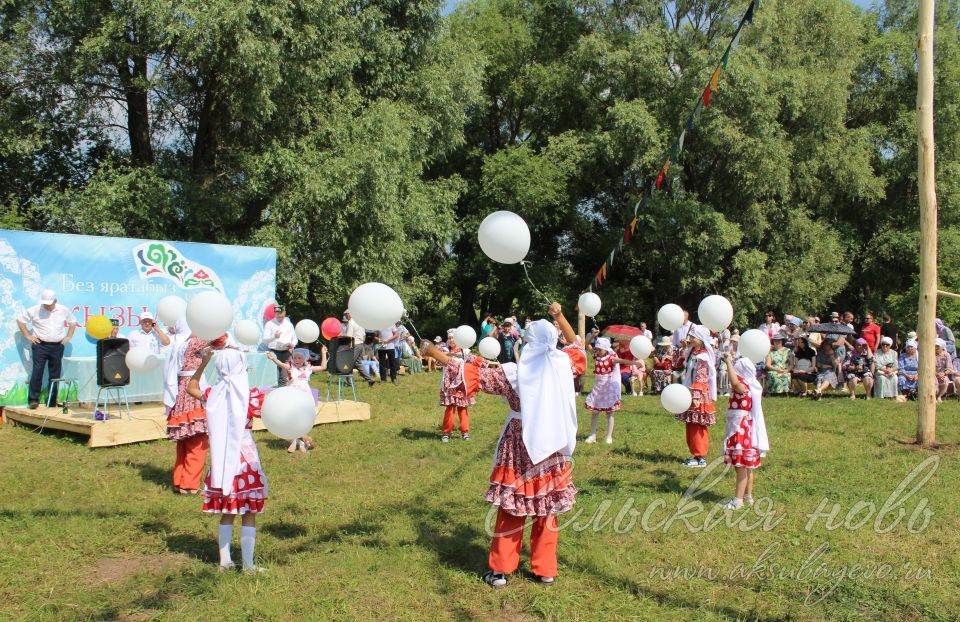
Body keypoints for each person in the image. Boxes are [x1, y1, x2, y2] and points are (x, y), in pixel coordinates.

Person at [421, 301, 585, 588]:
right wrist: (559, 315)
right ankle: (545, 569)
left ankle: (500, 571)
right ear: (552, 341)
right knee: (546, 508)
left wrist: (432, 352)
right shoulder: (565, 366)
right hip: (553, 440)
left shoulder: (512, 374)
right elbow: (576, 345)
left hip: (519, 443)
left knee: (512, 508)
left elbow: (468, 372)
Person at [187, 344, 267, 574]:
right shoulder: (251, 397)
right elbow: (272, 406)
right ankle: (249, 565)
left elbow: (192, 387)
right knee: (249, 512)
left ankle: (225, 562)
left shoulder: (213, 393)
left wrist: (204, 362)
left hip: (222, 461)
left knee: (228, 511)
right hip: (245, 461)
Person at [162, 319, 209, 495]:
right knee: (197, 441)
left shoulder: (178, 344)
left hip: (181, 391)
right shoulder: (195, 342)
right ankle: (189, 484)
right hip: (193, 389)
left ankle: (179, 481)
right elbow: (218, 339)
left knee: (183, 441)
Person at [720, 353, 769, 510]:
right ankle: (748, 496)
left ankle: (738, 500)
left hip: (740, 428)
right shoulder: (750, 386)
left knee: (740, 466)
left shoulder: (743, 386)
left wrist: (728, 362)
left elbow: (734, 382)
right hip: (743, 427)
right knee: (748, 467)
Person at [16, 289, 78, 409]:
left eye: (50, 303)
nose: (47, 305)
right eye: (45, 303)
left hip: (57, 346)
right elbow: (20, 320)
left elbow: (72, 322)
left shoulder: (63, 309)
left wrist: (69, 336)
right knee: (37, 372)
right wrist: (28, 336)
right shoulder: (35, 310)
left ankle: (51, 401)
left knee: (55, 374)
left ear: (55, 301)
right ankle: (33, 400)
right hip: (40, 345)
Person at [677, 325, 717, 468]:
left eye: (693, 337)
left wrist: (695, 396)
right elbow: (684, 365)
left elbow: (701, 377)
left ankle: (700, 457)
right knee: (691, 424)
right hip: (691, 391)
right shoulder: (694, 352)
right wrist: (684, 348)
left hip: (698, 393)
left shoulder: (703, 356)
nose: (690, 339)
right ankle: (696, 454)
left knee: (697, 425)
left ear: (701, 339)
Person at [265, 348, 319, 452]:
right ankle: (298, 441)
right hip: (293, 398)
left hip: (305, 398)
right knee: (294, 418)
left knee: (303, 419)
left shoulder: (308, 368)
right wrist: (273, 359)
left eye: (300, 358)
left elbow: (323, 367)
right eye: (295, 358)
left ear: (305, 359)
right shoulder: (291, 368)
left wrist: (323, 353)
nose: (297, 360)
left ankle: (299, 441)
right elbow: (281, 365)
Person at [584, 337, 634, 445]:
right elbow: (587, 344)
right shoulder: (596, 355)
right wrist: (592, 335)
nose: (597, 351)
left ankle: (609, 436)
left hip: (608, 388)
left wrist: (635, 363)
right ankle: (593, 435)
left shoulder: (611, 358)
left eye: (600, 349)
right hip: (598, 387)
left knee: (610, 412)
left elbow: (622, 361)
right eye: (597, 349)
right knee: (595, 411)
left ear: (606, 349)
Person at [260, 305, 296, 386]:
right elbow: (265, 340)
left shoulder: (289, 325)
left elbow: (295, 338)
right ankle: (272, 395)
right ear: (275, 314)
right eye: (278, 316)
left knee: (284, 377)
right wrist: (274, 337)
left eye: (282, 316)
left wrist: (292, 344)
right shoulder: (269, 324)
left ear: (285, 313)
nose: (280, 318)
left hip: (286, 352)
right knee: (273, 377)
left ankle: (282, 395)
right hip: (273, 352)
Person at [344, 310, 376, 387]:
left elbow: (349, 337)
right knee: (358, 364)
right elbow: (364, 336)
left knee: (348, 363)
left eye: (346, 314)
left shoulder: (351, 323)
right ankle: (370, 379)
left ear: (350, 314)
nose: (345, 316)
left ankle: (349, 382)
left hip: (354, 345)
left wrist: (347, 348)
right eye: (345, 315)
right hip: (360, 345)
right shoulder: (359, 322)